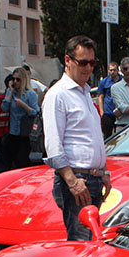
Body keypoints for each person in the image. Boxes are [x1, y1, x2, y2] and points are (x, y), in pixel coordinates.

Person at [42, 35, 110, 241]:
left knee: (91, 242)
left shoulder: (84, 93)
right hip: (78, 180)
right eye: (83, 62)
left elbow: (91, 137)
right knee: (81, 245)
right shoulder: (58, 95)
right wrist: (72, 181)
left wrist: (103, 171)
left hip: (92, 178)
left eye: (92, 62)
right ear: (67, 60)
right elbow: (53, 145)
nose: (88, 68)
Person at [3, 66, 41, 170]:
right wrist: (10, 92)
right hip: (13, 132)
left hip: (25, 133)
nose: (15, 82)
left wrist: (23, 105)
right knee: (13, 161)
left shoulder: (30, 94)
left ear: (23, 80)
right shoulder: (10, 93)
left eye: (18, 79)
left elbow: (35, 112)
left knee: (22, 161)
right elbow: (4, 108)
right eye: (13, 79)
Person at [96, 60, 121, 138]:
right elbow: (100, 97)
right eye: (111, 70)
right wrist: (101, 112)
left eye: (114, 70)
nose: (112, 72)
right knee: (107, 136)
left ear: (118, 70)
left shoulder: (123, 81)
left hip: (120, 112)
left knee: (120, 136)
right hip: (108, 113)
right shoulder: (104, 82)